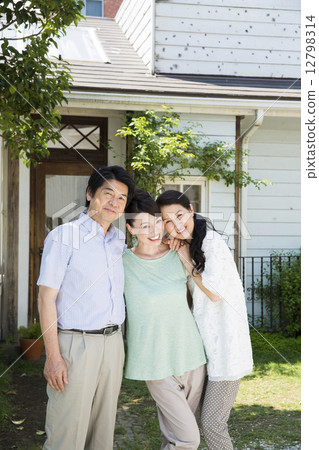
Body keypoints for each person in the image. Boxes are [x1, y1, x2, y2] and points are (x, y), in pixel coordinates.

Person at [37, 165, 135, 450]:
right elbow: (46, 298)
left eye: (121, 198)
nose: (114, 203)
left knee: (102, 434)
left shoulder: (119, 241)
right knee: (66, 433)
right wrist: (53, 357)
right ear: (90, 194)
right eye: (108, 194)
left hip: (113, 344)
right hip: (75, 345)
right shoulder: (64, 236)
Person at [156, 190, 253, 450]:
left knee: (212, 423)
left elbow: (213, 294)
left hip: (226, 351)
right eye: (167, 220)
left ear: (191, 209)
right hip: (202, 351)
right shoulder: (188, 244)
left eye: (179, 215)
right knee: (192, 422)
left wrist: (185, 259)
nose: (176, 224)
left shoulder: (212, 243)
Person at [123, 189, 207, 450]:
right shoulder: (121, 262)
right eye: (145, 225)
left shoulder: (178, 252)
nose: (155, 230)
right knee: (188, 440)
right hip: (154, 361)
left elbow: (207, 290)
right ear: (130, 229)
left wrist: (183, 252)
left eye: (158, 222)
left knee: (172, 435)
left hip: (191, 356)